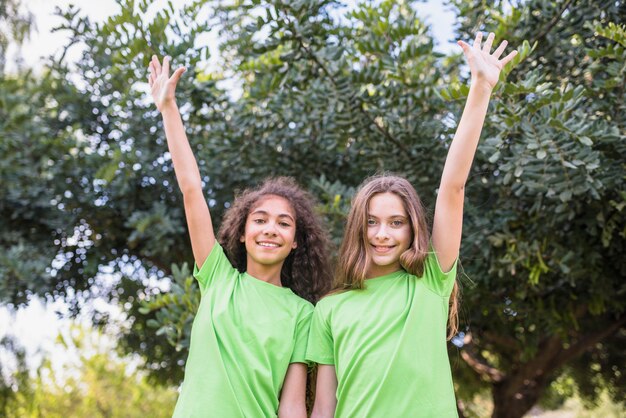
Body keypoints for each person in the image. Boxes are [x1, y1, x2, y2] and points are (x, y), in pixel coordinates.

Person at [306, 32, 518, 417]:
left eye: (396, 222)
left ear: (411, 230)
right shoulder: (329, 310)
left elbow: (452, 187)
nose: (382, 233)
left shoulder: (429, 282)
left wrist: (481, 89)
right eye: (372, 222)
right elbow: (324, 406)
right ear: (358, 228)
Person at [148, 55, 332, 418]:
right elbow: (191, 190)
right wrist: (168, 108)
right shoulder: (218, 278)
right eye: (260, 220)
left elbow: (292, 406)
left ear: (296, 240)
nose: (270, 229)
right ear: (243, 232)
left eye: (283, 223)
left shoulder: (303, 314)